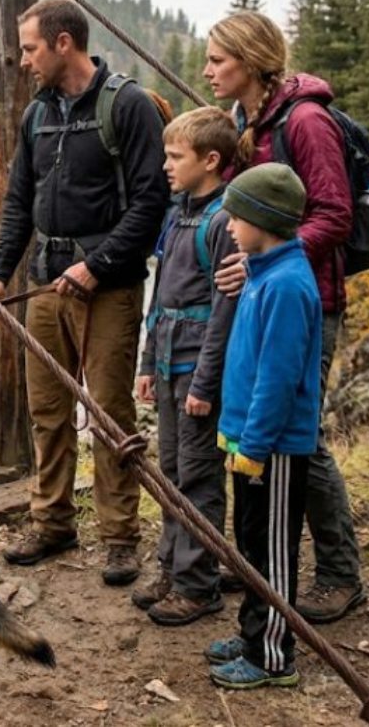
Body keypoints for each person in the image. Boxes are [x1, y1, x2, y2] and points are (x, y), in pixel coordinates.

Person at [0, 0, 169, 585]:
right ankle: (53, 522)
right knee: (48, 410)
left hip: (106, 287)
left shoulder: (129, 107)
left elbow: (150, 204)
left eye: (31, 48)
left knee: (111, 412)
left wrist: (98, 265)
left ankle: (118, 538)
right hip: (43, 281)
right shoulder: (37, 115)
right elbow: (19, 202)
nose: (24, 61)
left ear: (64, 43)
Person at [204, 11, 364, 622]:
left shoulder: (306, 120)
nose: (209, 69)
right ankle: (262, 563)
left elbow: (334, 214)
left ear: (249, 58)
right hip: (268, 293)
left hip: (309, 301)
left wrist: (267, 265)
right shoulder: (251, 121)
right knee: (272, 436)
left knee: (303, 439)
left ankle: (340, 574)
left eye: (219, 59)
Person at [204, 162, 322, 690]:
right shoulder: (261, 274)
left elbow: (277, 377)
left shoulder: (289, 286)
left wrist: (253, 442)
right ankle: (255, 632)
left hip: (271, 448)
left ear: (263, 220)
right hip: (249, 441)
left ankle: (273, 654)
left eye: (237, 217)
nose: (229, 225)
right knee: (251, 545)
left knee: (271, 551)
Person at [131, 107, 239, 625]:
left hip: (197, 368)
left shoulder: (222, 223)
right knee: (171, 470)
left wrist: (205, 381)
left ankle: (199, 584)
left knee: (197, 476)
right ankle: (173, 568)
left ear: (211, 161)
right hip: (170, 361)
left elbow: (224, 311)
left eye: (176, 157)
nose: (167, 165)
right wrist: (148, 360)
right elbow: (160, 296)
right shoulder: (178, 214)